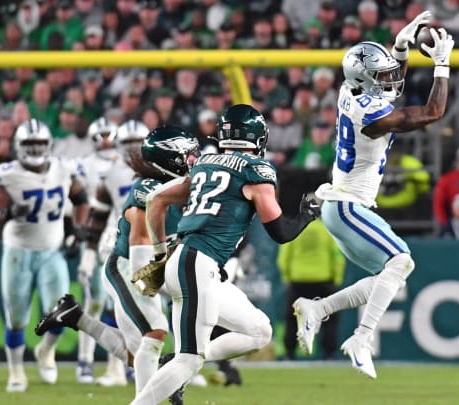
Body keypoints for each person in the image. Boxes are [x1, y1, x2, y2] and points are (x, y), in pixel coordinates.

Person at [293, 12, 454, 379]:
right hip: (348, 206)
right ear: (364, 79)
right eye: (380, 75)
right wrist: (441, 65)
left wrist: (400, 47)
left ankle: (318, 310)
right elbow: (432, 112)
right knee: (401, 262)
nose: (391, 79)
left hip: (341, 204)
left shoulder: (349, 92)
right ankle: (362, 338)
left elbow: (392, 88)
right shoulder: (372, 115)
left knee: (390, 274)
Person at [130, 104, 320, 404]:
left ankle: (175, 365)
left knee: (259, 331)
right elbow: (280, 232)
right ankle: (170, 374)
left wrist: (159, 252)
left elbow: (156, 199)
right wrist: (307, 215)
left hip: (190, 262)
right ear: (258, 135)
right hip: (198, 263)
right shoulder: (255, 170)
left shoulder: (205, 162)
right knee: (189, 359)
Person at [36, 125, 200, 404]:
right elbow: (138, 244)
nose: (196, 158)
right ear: (170, 158)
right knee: (155, 333)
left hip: (153, 265)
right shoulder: (147, 189)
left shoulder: (185, 184)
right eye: (189, 153)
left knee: (139, 352)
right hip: (128, 267)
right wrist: (150, 279)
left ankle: (75, 317)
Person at [0, 119, 89, 392]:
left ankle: (45, 350)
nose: (35, 149)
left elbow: (81, 200)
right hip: (18, 251)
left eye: (39, 143)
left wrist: (76, 231)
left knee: (62, 312)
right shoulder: (8, 174)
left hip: (52, 250)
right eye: (29, 144)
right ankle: (16, 371)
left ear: (49, 144)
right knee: (17, 317)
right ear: (19, 146)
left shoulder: (64, 168)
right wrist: (7, 214)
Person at [74, 116, 122, 385]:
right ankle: (85, 360)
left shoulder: (126, 166)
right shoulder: (84, 166)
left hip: (119, 236)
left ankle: (124, 359)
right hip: (95, 236)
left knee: (122, 305)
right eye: (101, 136)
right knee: (93, 301)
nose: (106, 141)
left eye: (109, 135)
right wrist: (77, 230)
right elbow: (77, 200)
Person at [278, 216, 345, 359]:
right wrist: (337, 278)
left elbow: (283, 257)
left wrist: (287, 277)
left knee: (292, 319)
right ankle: (328, 355)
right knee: (329, 319)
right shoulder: (327, 230)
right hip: (324, 280)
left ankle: (289, 353)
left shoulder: (294, 230)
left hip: (298, 280)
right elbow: (337, 256)